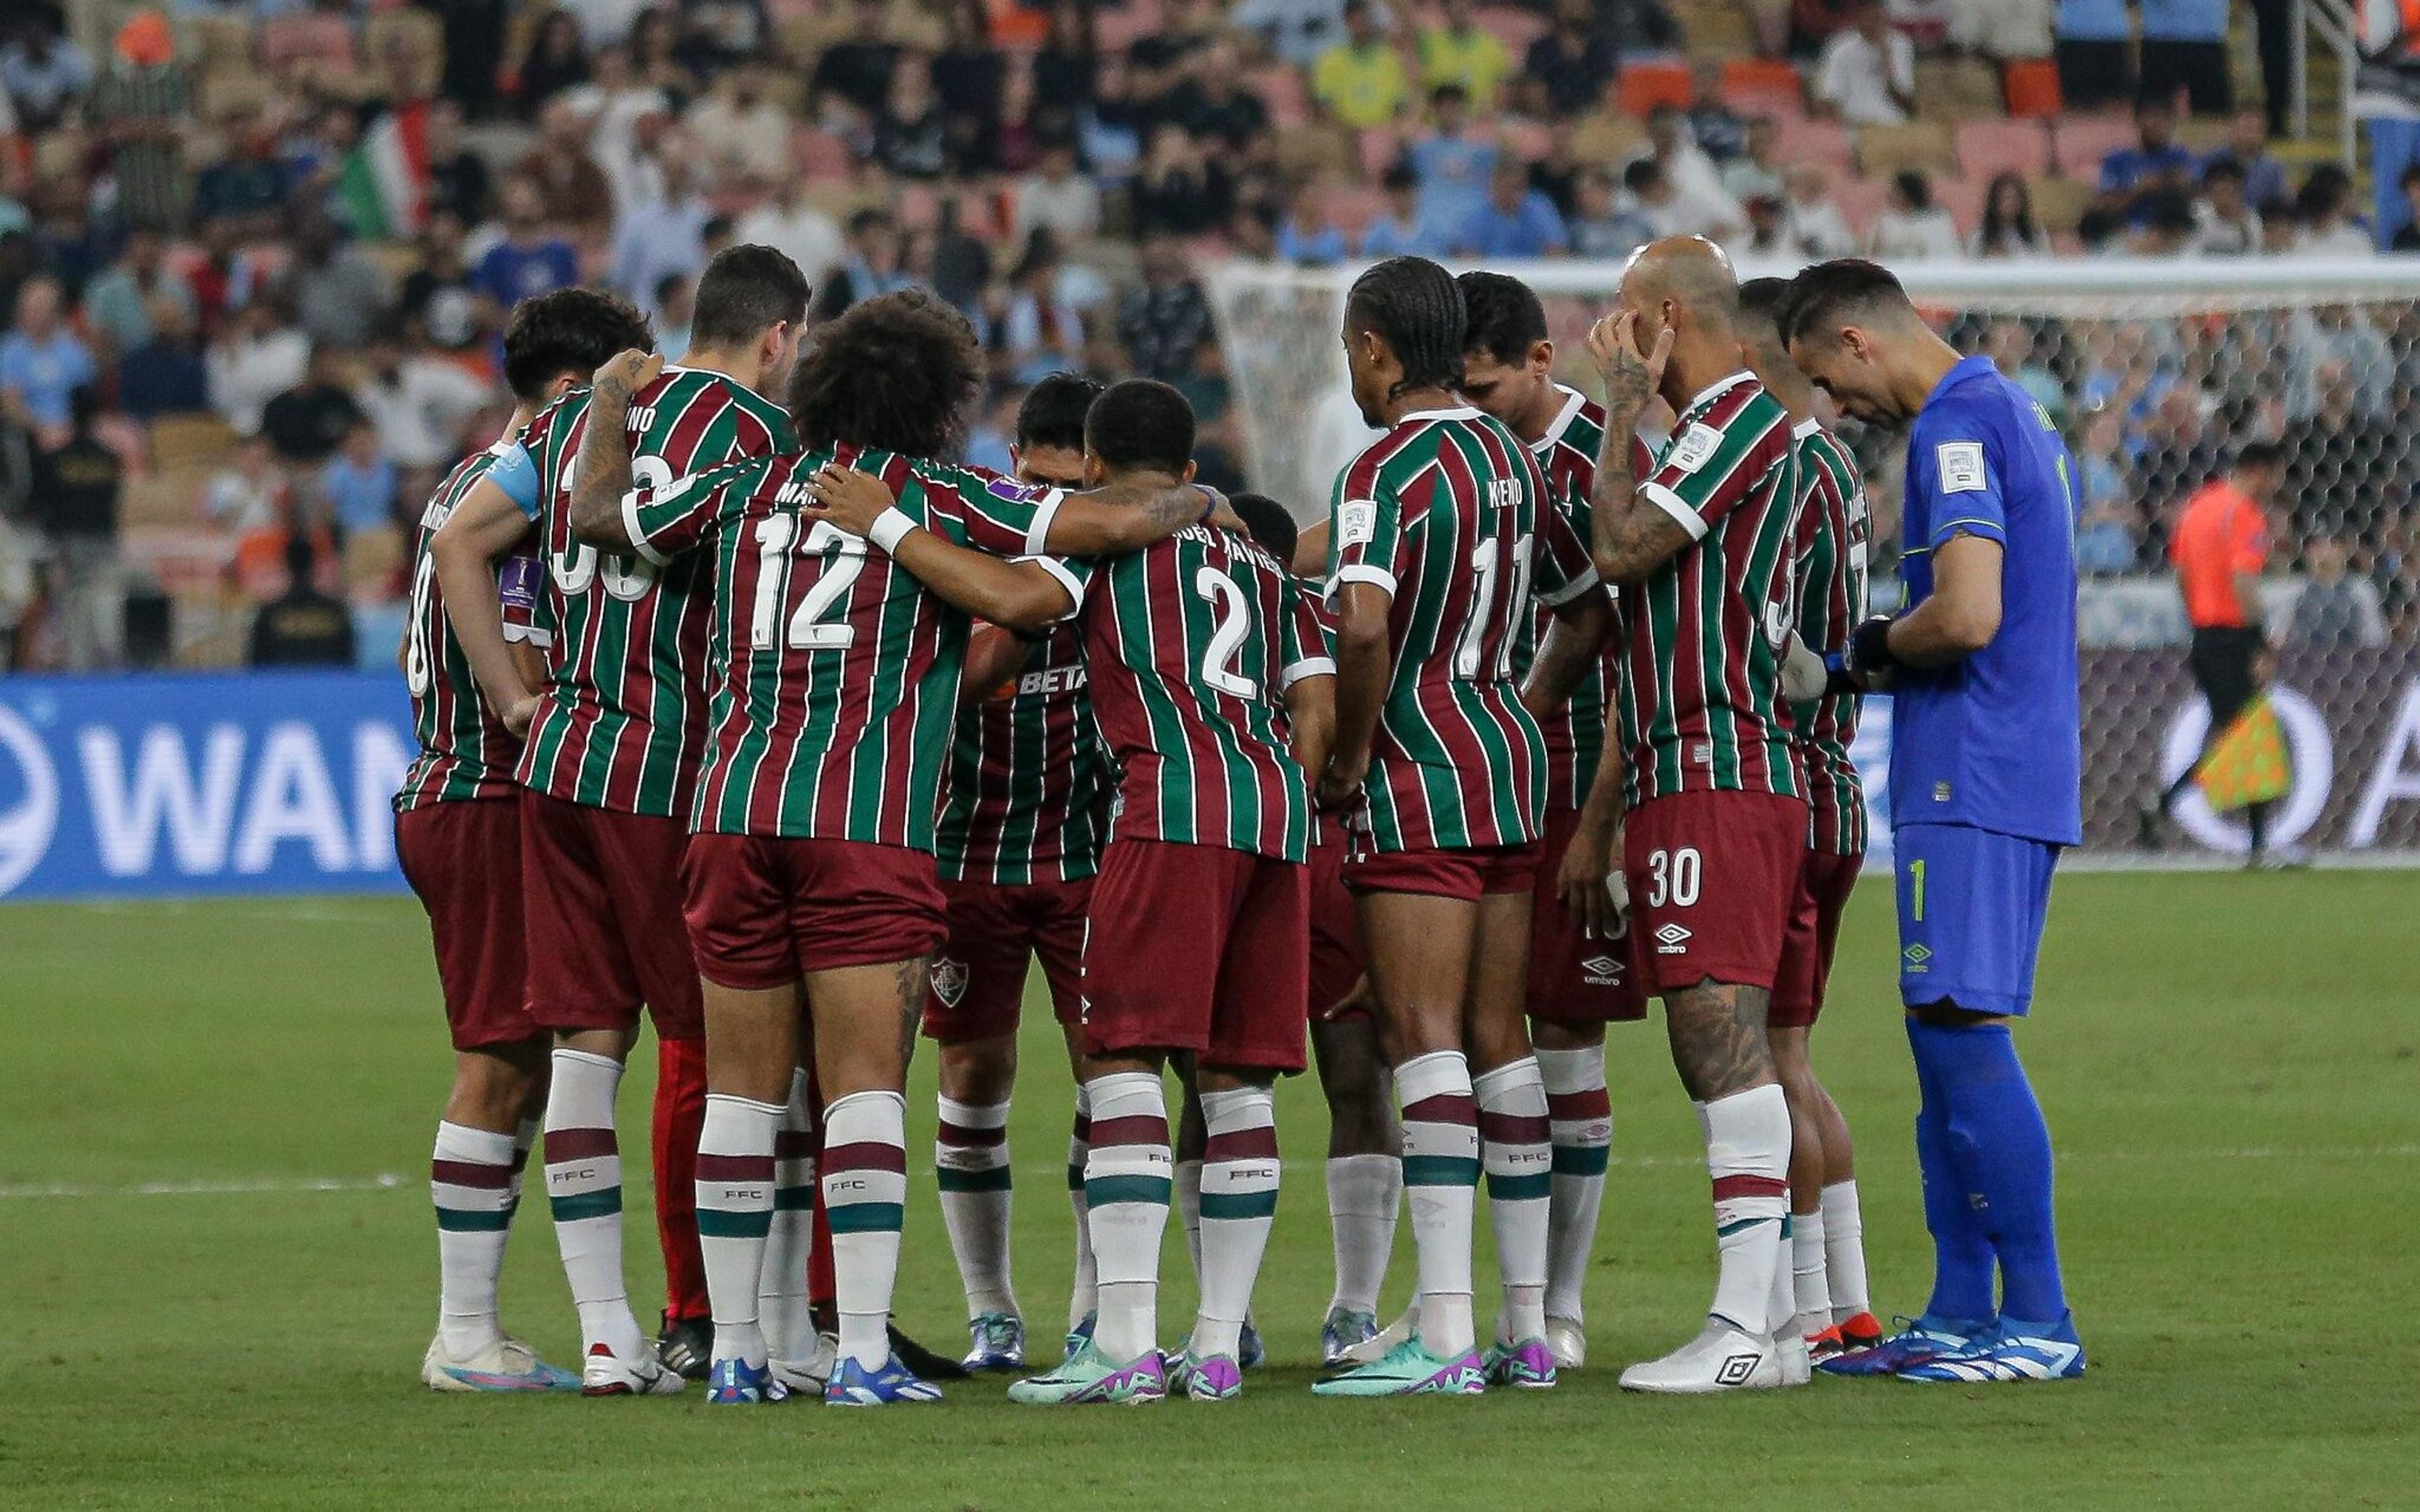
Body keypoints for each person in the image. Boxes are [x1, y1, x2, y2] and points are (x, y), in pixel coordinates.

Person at [561, 291, 1238, 1406]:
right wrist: (1204, 493)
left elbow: (594, 517)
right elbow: (1116, 527)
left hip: (730, 810)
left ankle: (736, 1354)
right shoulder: (926, 493)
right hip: (860, 824)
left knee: (741, 1097)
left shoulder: (734, 486)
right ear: (937, 403)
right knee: (861, 1093)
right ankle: (861, 1351)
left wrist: (603, 410)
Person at [877, 380, 1335, 1406]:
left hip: (1165, 808)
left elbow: (1004, 612)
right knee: (1236, 1081)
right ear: (1185, 471)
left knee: (1120, 1061)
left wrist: (892, 527)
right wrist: (1291, 788)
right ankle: (1214, 1347)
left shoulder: (1103, 549)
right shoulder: (1259, 562)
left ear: (1089, 467)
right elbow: (1317, 694)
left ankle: (1122, 1341)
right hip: (1276, 818)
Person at [431, 246, 811, 1397]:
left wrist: (508, 693)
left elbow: (458, 540)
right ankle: (749, 1329)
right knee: (724, 1051)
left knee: (586, 1052)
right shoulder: (757, 438)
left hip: (557, 759)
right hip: (669, 769)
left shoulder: (579, 418)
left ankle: (609, 1340)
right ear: (781, 339)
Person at [1310, 257, 1611, 1399]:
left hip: (1419, 766)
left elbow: (1366, 627)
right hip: (1509, 754)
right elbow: (1584, 612)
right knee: (1501, 1034)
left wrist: (1349, 758)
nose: (1350, 369)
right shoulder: (1510, 457)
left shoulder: (1379, 471)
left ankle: (1442, 1330)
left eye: (1351, 350)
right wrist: (1514, 710)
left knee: (1420, 1031)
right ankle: (1527, 1328)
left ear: (1379, 351)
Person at [1785, 256, 2087, 1382]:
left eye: (1829, 377)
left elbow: (1964, 613)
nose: (1834, 407)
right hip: (1988, 767)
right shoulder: (2010, 409)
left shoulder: (1956, 428)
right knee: (1937, 1035)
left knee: (1963, 1033)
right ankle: (1963, 1308)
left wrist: (1852, 656)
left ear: (1861, 341)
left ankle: (2040, 1320)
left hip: (1978, 770)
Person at [396, 287, 648, 1395]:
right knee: (500, 1063)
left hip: (453, 789)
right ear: (569, 391)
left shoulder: (470, 479)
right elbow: (510, 624)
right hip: (487, 793)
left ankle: (481, 1330)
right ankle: (462, 1335)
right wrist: (522, 705)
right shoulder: (528, 487)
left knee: (528, 1060)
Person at [1579, 237, 1808, 1394]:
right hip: (1701, 769)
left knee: (1717, 1040)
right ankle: (1770, 1331)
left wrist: (1620, 410)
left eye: (1625, 321)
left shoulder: (1730, 421)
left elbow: (1620, 548)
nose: (1611, 342)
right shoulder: (1722, 435)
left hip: (1720, 771)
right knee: (1729, 1043)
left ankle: (1738, 1331)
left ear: (1669, 315)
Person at [1453, 272, 1646, 1372]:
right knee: (1463, 1029)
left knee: (1565, 1036)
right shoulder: (1471, 458)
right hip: (1478, 776)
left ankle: (1559, 1307)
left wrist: (1603, 822)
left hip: (1572, 779)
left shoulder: (1597, 466)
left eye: (1489, 389)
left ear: (1540, 361)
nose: (1475, 408)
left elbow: (1625, 637)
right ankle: (1471, 1296)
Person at [913, 374, 1109, 1374]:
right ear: (1019, 461)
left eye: (1071, 488)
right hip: (969, 854)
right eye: (1038, 478)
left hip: (1090, 857)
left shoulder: (1121, 545)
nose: (1050, 503)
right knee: (973, 1077)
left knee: (1107, 1076)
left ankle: (1089, 1305)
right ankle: (991, 1309)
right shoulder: (969, 536)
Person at [1734, 277, 1885, 1366]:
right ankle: (1849, 1301)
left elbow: (1764, 630)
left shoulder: (1782, 463)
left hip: (1784, 781)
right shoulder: (1836, 464)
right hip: (1836, 783)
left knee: (1768, 1063)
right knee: (1793, 1053)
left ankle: (1805, 1311)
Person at [2143, 443, 2288, 860]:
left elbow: (2182, 575)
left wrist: (2199, 619)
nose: (2276, 487)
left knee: (2241, 735)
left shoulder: (2198, 508)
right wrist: (2260, 643)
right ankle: (2256, 845)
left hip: (2205, 636)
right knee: (2251, 736)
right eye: (2275, 477)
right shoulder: (2245, 515)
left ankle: (2167, 806)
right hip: (2235, 636)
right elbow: (2244, 582)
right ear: (2259, 471)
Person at [28, 387, 124, 671]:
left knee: (75, 621)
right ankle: (104, 678)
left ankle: (80, 676)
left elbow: (42, 505)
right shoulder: (110, 458)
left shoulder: (53, 459)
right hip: (101, 547)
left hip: (68, 549)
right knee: (103, 619)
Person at [248, 531, 357, 667]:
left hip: (281, 686)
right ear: (313, 564)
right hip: (327, 686)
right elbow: (349, 661)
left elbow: (257, 665)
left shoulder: (269, 613)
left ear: (286, 564)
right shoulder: (337, 611)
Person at [1311, 1, 1412, 129]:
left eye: (1363, 19)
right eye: (1354, 20)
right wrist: (1346, 132)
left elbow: (1400, 106)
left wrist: (1386, 131)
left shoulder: (1390, 59)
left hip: (1384, 133)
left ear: (1371, 21)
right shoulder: (1330, 60)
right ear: (1346, 22)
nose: (1359, 25)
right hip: (1345, 134)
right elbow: (1324, 106)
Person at [1815, 0, 1915, 125]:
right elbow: (1830, 97)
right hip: (1854, 122)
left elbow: (1905, 101)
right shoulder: (1840, 45)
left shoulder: (1900, 44)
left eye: (1876, 12)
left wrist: (1887, 60)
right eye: (1866, 12)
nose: (1871, 18)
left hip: (1892, 124)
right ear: (1857, 15)